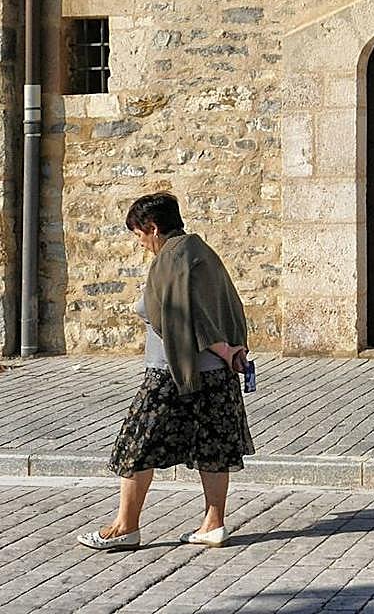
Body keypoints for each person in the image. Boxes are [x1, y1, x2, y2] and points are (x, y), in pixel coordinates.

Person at [76, 192, 254, 551]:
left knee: (136, 445)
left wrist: (221, 347)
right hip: (218, 375)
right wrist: (235, 348)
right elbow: (229, 304)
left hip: (172, 373)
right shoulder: (203, 252)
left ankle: (125, 527)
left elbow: (180, 317)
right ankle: (213, 524)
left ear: (153, 228)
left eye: (139, 234)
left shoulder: (170, 259)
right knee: (213, 446)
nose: (139, 242)